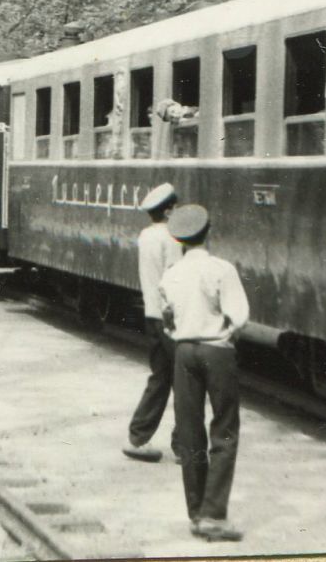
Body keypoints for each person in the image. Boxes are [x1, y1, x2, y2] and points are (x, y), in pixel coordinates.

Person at [159, 204, 249, 543]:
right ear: (208, 232)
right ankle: (214, 515)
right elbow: (239, 316)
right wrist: (225, 333)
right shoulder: (221, 269)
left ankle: (196, 513)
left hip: (184, 352)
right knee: (224, 430)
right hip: (216, 351)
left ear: (178, 238)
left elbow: (167, 318)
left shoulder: (171, 273)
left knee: (189, 431)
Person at [123, 183, 184, 463]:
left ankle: (138, 438)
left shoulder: (146, 235)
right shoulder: (172, 238)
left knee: (160, 378)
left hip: (151, 314)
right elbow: (173, 279)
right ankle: (185, 447)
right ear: (169, 210)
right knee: (186, 381)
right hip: (170, 318)